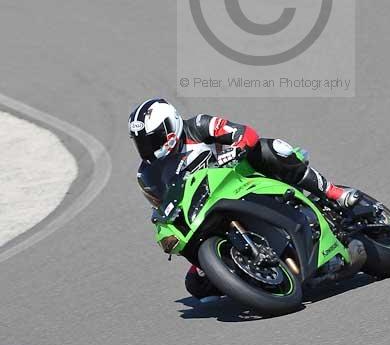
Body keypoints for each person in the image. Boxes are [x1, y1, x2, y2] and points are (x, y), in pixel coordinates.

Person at [130, 97, 360, 300]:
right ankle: (250, 277)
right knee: (196, 284)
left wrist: (236, 148)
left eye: (153, 139)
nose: (148, 147)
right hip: (205, 210)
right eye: (141, 142)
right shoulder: (147, 173)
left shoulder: (198, 126)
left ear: (171, 125)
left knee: (271, 149)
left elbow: (245, 133)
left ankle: (333, 193)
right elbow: (162, 203)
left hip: (241, 177)